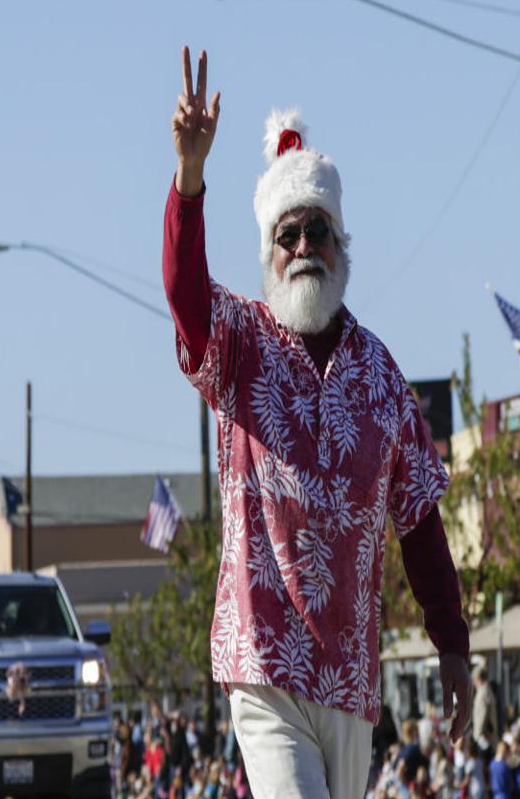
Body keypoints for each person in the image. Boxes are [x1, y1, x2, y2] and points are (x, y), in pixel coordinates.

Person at [164, 46, 470, 799]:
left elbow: (421, 526)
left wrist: (454, 647)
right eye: (287, 235)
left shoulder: (383, 376)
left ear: (342, 247)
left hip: (351, 676)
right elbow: (183, 291)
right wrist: (191, 180)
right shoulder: (240, 342)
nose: (303, 247)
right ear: (269, 254)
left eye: (317, 232)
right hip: (264, 661)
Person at [472, 667, 497, 753]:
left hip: (484, 737)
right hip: (488, 736)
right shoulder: (487, 690)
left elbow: (482, 716)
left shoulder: (483, 692)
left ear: (477, 678)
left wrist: (477, 735)